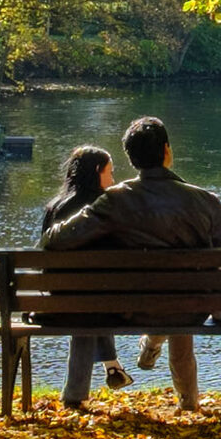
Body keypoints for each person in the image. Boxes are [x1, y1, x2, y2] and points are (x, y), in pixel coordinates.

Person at [41, 116, 221, 409]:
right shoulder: (206, 200)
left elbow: (55, 239)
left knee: (166, 298)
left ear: (131, 158)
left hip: (132, 309)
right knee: (183, 298)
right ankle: (188, 401)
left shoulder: (115, 200)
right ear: (167, 151)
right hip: (191, 310)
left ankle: (152, 349)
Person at [38, 145, 134, 407]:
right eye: (110, 173)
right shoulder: (105, 208)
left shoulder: (54, 208)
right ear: (96, 172)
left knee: (88, 297)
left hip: (57, 302)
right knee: (95, 296)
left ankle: (101, 375)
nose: (113, 179)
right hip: (102, 303)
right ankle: (93, 380)